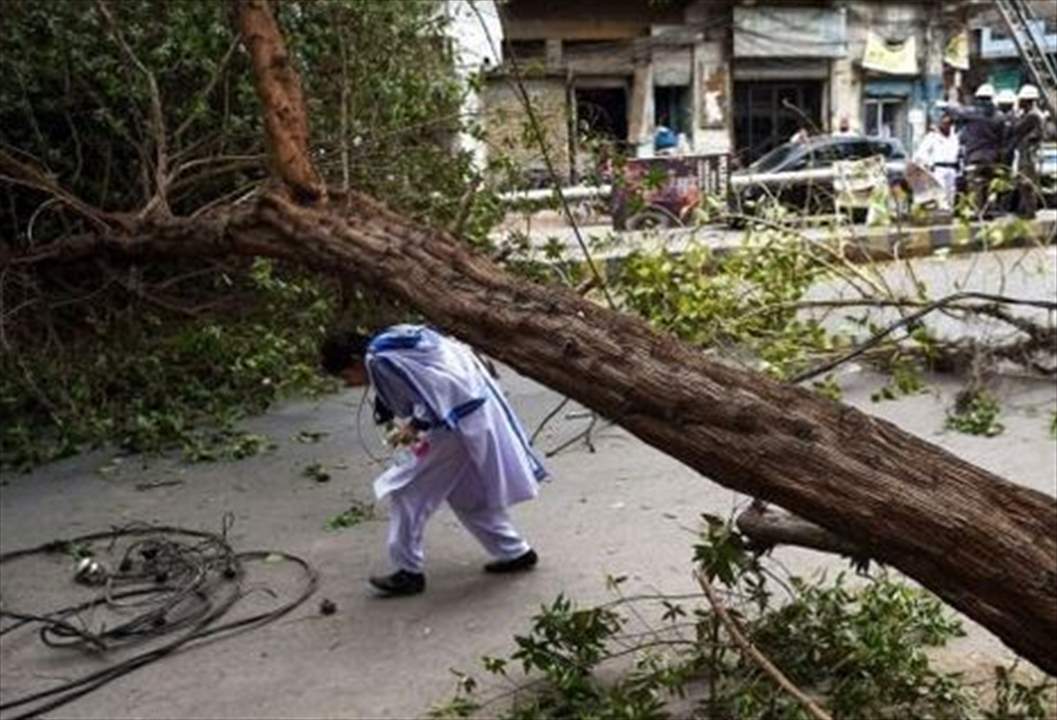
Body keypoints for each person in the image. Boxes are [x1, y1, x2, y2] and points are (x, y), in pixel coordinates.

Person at [320, 325, 547, 597]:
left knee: (406, 491)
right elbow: (436, 378)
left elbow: (432, 389)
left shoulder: (379, 358)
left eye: (347, 376)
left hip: (453, 425)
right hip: (471, 414)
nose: (350, 383)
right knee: (466, 494)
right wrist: (417, 423)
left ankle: (408, 571)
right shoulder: (399, 338)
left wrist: (416, 426)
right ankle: (515, 551)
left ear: (355, 361)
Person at [950, 83, 1007, 217]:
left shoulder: (972, 113)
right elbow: (1003, 139)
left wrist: (949, 103)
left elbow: (955, 112)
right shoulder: (999, 117)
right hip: (992, 158)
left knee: (975, 185)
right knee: (988, 185)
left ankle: (977, 213)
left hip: (975, 156)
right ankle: (987, 211)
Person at [913, 111, 960, 209]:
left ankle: (950, 214)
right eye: (944, 123)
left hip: (952, 168)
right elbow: (921, 153)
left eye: (949, 123)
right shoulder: (933, 136)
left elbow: (958, 152)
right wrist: (928, 163)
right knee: (941, 194)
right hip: (938, 168)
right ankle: (942, 213)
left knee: (951, 193)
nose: (947, 125)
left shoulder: (955, 137)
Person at [1011, 84, 1043, 219]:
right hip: (1027, 153)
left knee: (1026, 182)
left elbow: (1017, 128)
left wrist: (1015, 116)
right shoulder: (1033, 114)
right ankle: (1025, 209)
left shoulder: (1032, 116)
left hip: (1028, 155)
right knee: (1024, 182)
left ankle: (1029, 211)